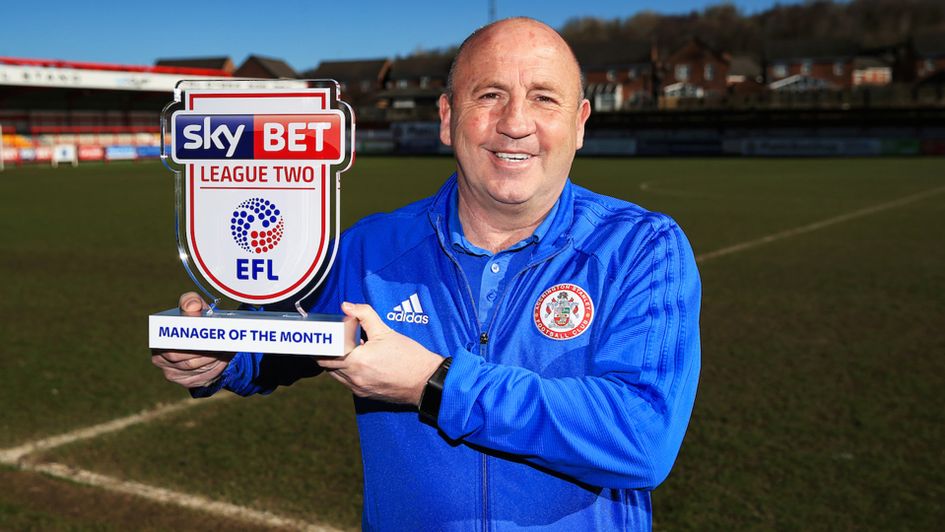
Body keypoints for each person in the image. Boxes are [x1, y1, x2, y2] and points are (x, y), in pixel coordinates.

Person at [153, 17, 701, 531]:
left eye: (543, 98)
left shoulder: (643, 247)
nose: (515, 123)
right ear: (446, 117)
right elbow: (279, 338)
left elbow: (641, 435)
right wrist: (215, 354)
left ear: (579, 123)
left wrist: (435, 383)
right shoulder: (370, 249)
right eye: (489, 95)